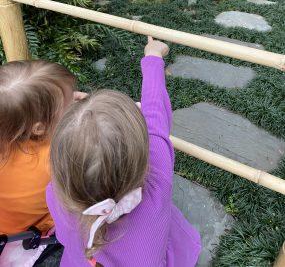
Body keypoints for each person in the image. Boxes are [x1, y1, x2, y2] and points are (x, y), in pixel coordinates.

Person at [47, 37, 201, 266]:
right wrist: (153, 56)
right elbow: (155, 114)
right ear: (142, 155)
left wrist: (80, 114)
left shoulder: (55, 193)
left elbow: (62, 235)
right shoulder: (157, 180)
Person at [0, 60, 80, 266]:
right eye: (69, 104)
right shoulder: (57, 154)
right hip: (30, 229)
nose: (76, 101)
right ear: (38, 128)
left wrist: (66, 104)